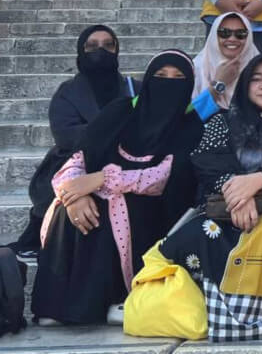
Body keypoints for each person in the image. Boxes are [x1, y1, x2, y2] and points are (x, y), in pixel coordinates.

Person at [151, 54, 262, 342]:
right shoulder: (223, 122)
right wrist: (238, 196)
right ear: (244, 85)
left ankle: (255, 315)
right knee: (200, 234)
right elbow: (206, 162)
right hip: (224, 209)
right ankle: (196, 311)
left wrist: (261, 180)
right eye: (256, 79)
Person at [32, 50, 203, 325]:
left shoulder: (191, 126)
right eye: (160, 76)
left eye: (178, 78)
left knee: (119, 207)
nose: (168, 83)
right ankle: (57, 306)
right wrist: (74, 193)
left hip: (152, 209)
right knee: (68, 207)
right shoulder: (119, 112)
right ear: (147, 80)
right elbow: (78, 157)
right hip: (94, 193)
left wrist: (102, 180)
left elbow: (164, 177)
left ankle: (116, 298)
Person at [6, 25, 135, 258]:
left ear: (117, 50)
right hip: (72, 163)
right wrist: (116, 128)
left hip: (123, 163)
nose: (101, 51)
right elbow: (66, 135)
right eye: (92, 46)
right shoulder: (68, 92)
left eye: (108, 45)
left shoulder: (133, 88)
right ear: (81, 51)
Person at [189, 12, 260, 121]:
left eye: (240, 33)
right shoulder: (195, 70)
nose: (232, 39)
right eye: (224, 33)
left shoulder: (260, 69)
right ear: (213, 35)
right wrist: (219, 83)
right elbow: (187, 117)